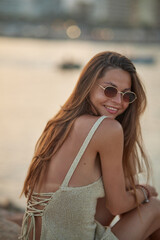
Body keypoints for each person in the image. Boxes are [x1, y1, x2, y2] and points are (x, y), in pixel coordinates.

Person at [19, 51, 160, 240]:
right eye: (110, 90)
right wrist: (145, 192)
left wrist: (132, 190)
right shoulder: (108, 128)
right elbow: (117, 206)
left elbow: (111, 200)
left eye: (127, 95)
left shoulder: (59, 124)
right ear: (89, 85)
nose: (118, 102)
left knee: (127, 192)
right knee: (155, 208)